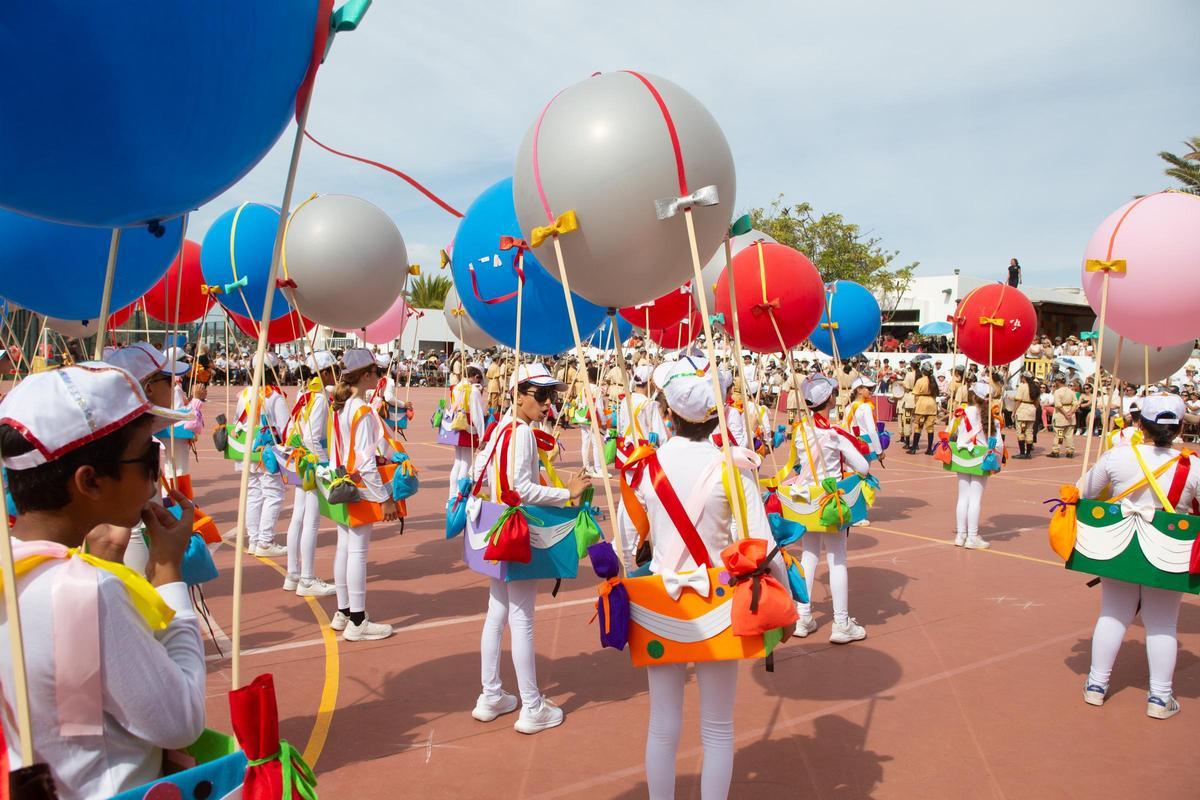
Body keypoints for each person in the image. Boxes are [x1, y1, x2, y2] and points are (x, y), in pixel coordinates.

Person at [0, 365, 203, 799]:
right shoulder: (91, 592)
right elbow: (180, 720)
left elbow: (72, 704)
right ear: (89, 480)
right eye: (148, 459)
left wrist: (102, 561)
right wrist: (168, 576)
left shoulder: (14, 567)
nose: (156, 474)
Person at [618, 358, 789, 800]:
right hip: (718, 604)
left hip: (659, 601)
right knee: (717, 727)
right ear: (717, 415)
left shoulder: (646, 468)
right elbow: (761, 545)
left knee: (663, 723)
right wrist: (786, 604)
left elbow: (626, 534)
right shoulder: (732, 470)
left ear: (668, 415)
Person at [470, 363, 589, 733]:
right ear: (519, 395)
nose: (546, 403)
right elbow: (522, 489)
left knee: (497, 612)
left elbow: (478, 472)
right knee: (521, 618)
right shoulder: (520, 432)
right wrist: (564, 493)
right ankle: (532, 705)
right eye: (540, 395)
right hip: (517, 529)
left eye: (549, 396)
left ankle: (491, 695)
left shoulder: (501, 428)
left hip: (495, 526)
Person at [1079, 395, 1199, 719]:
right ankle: (1160, 698)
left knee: (1113, 614)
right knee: (1162, 622)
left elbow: (1083, 491)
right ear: (1179, 428)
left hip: (1120, 546)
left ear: (1140, 424)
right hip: (1168, 549)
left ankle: (1096, 685)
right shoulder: (1192, 465)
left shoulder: (1118, 456)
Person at [790, 374, 872, 643]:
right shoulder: (834, 436)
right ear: (830, 400)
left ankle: (803, 616)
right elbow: (862, 467)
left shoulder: (800, 430)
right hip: (830, 501)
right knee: (837, 559)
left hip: (806, 500)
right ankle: (841, 623)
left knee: (808, 556)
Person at [328, 348, 399, 641]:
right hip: (361, 487)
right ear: (367, 375)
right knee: (357, 552)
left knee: (344, 548)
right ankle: (358, 620)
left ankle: (344, 612)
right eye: (377, 372)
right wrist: (385, 498)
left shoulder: (341, 407)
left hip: (342, 482)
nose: (379, 376)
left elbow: (336, 452)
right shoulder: (362, 411)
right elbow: (368, 462)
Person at [281, 350, 338, 597]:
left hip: (300, 460)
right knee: (310, 521)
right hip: (311, 463)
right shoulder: (318, 398)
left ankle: (293, 573)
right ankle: (307, 578)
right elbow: (313, 437)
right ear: (324, 372)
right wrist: (323, 466)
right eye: (333, 369)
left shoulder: (305, 395)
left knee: (298, 517)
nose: (337, 373)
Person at [234, 352, 290, 557]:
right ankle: (266, 541)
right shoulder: (273, 395)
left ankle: (255, 539)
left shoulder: (245, 394)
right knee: (273, 494)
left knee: (253, 495)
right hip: (268, 453)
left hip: (247, 452)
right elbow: (284, 427)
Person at [950, 382, 994, 549]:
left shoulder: (959, 412)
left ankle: (961, 535)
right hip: (979, 457)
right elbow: (996, 442)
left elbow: (950, 431)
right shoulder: (987, 416)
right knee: (975, 499)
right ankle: (972, 537)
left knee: (962, 497)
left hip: (961, 455)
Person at [442, 363, 486, 501]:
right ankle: (460, 496)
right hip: (468, 428)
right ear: (476, 377)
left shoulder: (456, 387)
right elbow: (477, 414)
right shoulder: (472, 390)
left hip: (456, 425)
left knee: (458, 461)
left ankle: (452, 496)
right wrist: (483, 435)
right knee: (466, 463)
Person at [617, 364, 667, 448]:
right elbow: (661, 437)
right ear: (650, 382)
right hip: (643, 452)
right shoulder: (651, 404)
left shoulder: (625, 400)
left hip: (627, 450)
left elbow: (621, 428)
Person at [908, 361, 938, 454]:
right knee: (930, 428)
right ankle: (929, 449)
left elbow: (916, 395)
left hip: (921, 404)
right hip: (932, 404)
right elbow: (936, 394)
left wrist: (915, 406)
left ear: (923, 371)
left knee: (918, 426)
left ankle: (913, 448)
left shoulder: (920, 381)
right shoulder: (933, 380)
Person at [1050, 373, 1078, 458]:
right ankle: (1070, 451)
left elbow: (1058, 405)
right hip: (1070, 415)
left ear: (1058, 381)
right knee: (1069, 435)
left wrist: (1066, 414)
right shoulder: (1071, 391)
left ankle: (1056, 450)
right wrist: (1071, 412)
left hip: (1061, 416)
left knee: (1059, 434)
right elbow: (1075, 403)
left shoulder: (1057, 392)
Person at [1012, 372, 1039, 458]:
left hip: (1023, 410)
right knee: (1029, 432)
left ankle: (1022, 453)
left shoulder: (1022, 386)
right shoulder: (1035, 387)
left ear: (1024, 377)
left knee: (1021, 432)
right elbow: (1037, 402)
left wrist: (1014, 411)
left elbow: (1018, 400)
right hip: (1031, 410)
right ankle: (1028, 453)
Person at [899, 363, 917, 451]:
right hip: (918, 398)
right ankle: (916, 443)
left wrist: (900, 383)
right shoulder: (921, 374)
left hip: (909, 397)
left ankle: (907, 442)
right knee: (918, 423)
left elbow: (905, 385)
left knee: (907, 420)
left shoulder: (909, 374)